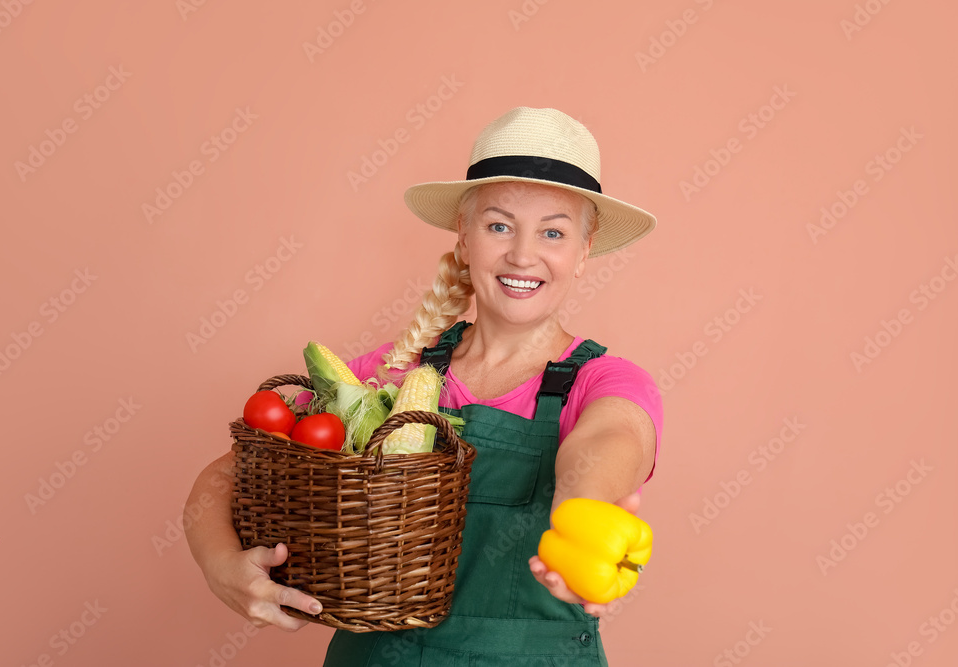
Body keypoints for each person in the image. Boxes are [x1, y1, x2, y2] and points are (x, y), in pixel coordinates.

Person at [185, 106, 663, 666]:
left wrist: (583, 514)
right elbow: (225, 477)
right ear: (464, 236)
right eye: (499, 225)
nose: (522, 254)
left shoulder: (605, 380)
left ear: (584, 252)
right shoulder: (386, 376)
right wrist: (220, 565)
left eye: (553, 232)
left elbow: (611, 442)